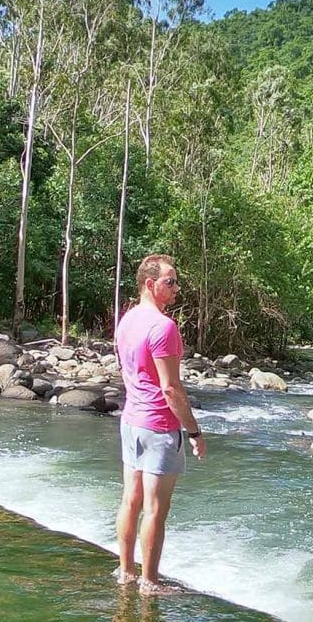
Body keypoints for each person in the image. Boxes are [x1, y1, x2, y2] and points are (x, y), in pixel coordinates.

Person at [113, 253, 206, 595]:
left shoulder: (127, 320)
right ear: (150, 285)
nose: (177, 287)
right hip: (159, 425)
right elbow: (170, 388)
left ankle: (125, 572)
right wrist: (194, 431)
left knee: (130, 500)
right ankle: (149, 582)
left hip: (131, 421)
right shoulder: (163, 327)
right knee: (155, 509)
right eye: (171, 281)